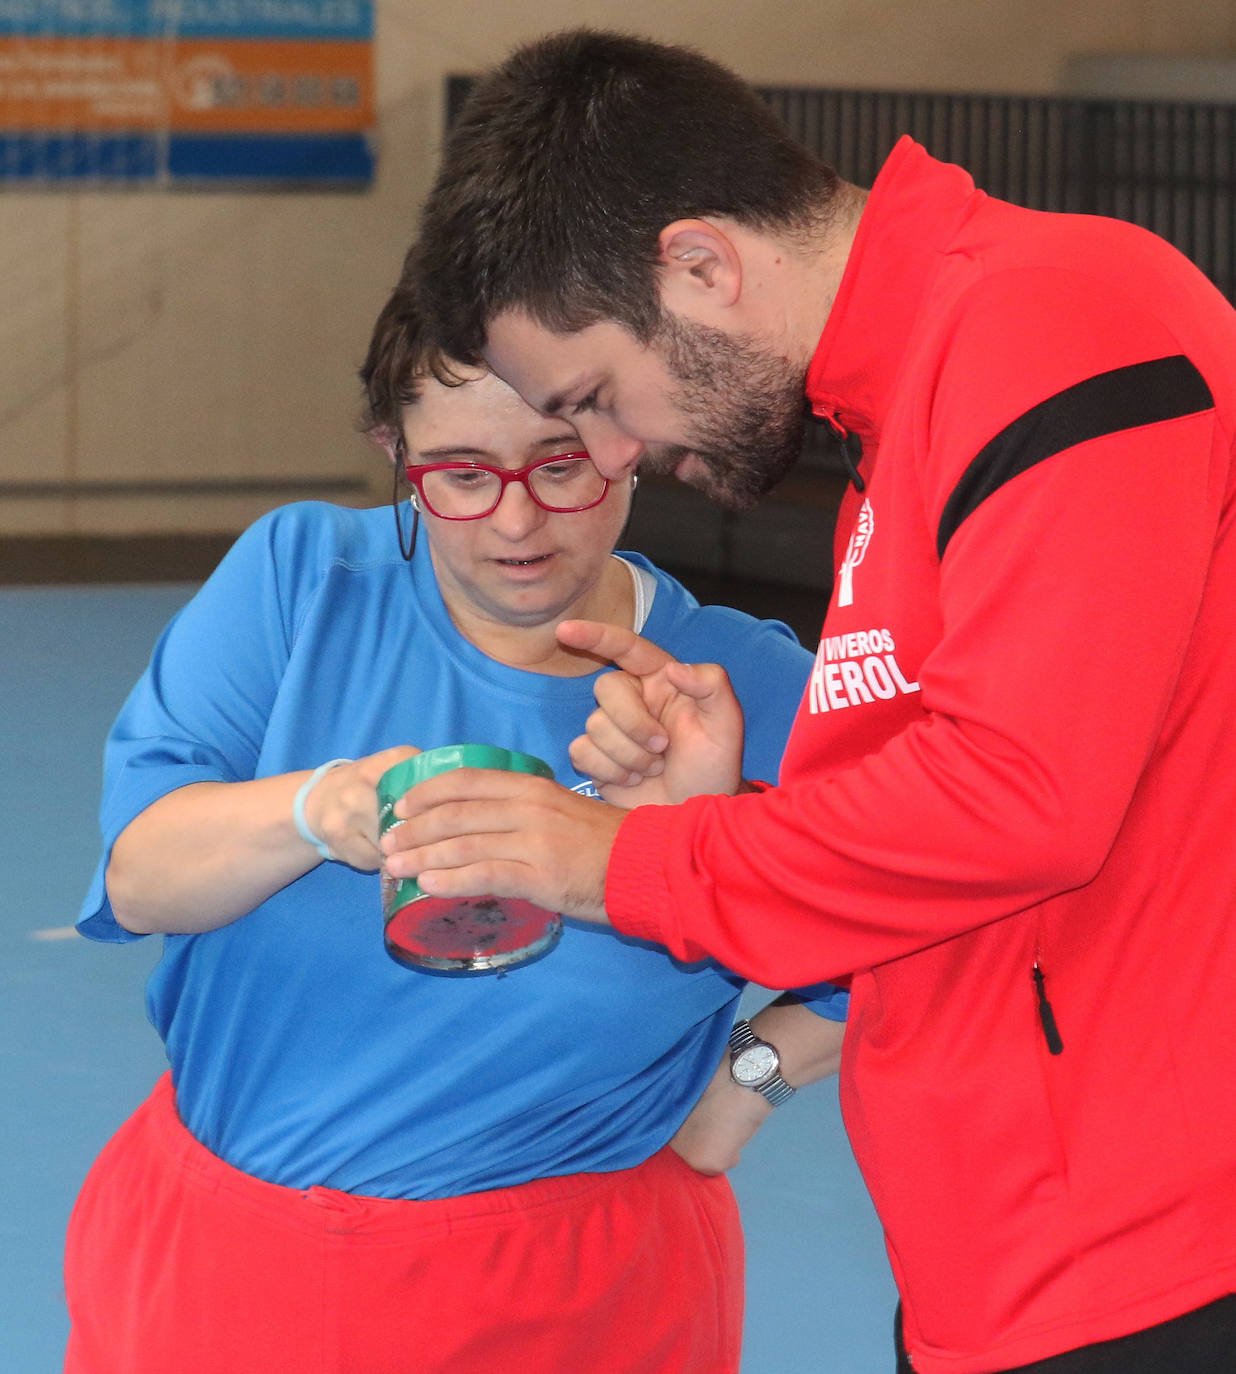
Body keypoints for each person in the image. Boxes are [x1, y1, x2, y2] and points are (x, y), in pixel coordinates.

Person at [387, 28, 1236, 1374]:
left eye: (599, 398)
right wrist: (735, 808)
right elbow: (961, 821)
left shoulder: (1058, 323)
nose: (616, 457)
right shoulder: (901, 411)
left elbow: (1024, 801)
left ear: (703, 263)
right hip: (1004, 1257)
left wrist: (631, 859)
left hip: (1156, 1263)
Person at [64, 284, 850, 1374]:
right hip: (220, 1263)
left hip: (571, 1296)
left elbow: (952, 899)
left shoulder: (741, 690)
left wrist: (749, 1080)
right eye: (462, 476)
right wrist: (314, 807)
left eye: (561, 464)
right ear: (395, 448)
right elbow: (141, 876)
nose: (517, 522)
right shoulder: (303, 581)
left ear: (628, 439)